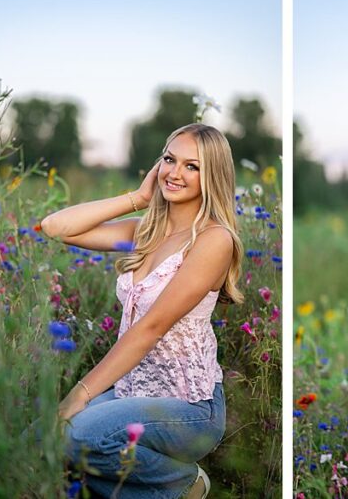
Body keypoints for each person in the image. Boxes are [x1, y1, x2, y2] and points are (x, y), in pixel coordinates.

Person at [40, 123, 244, 498]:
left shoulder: (215, 240)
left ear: (212, 175)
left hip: (190, 407)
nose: (175, 173)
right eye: (169, 159)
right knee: (41, 440)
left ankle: (184, 484)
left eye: (192, 166)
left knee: (76, 439)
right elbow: (55, 227)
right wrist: (137, 197)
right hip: (131, 389)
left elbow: (151, 327)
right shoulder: (145, 232)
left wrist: (81, 394)